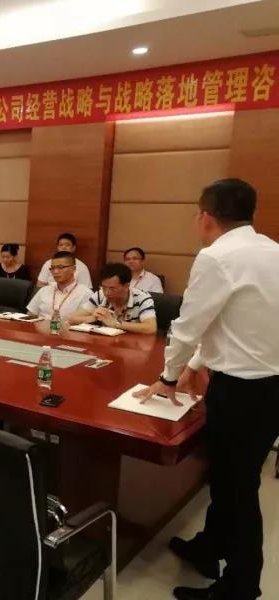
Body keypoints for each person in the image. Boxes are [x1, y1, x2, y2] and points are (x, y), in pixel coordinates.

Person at [134, 179, 279, 600]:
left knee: (237, 490)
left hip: (241, 392)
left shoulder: (216, 257)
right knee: (228, 477)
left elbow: (188, 325)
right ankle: (209, 547)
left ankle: (240, 587)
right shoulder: (272, 250)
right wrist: (195, 366)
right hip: (270, 388)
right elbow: (240, 322)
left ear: (206, 217)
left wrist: (167, 376)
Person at [68, 263, 157, 334]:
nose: (107, 292)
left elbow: (151, 328)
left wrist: (115, 323)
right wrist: (93, 318)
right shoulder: (100, 295)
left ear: (126, 286)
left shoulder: (142, 298)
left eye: (112, 289)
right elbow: (72, 319)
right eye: (104, 287)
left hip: (133, 346)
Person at [26, 251, 92, 319]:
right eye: (52, 268)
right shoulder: (44, 291)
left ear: (73, 269)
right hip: (40, 325)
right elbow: (29, 316)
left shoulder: (85, 294)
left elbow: (84, 322)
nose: (55, 272)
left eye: (60, 267)